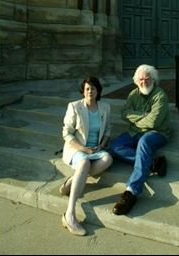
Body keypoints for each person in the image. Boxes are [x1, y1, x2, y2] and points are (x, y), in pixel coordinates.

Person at [110, 64, 171, 215]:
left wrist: (135, 117)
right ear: (137, 81)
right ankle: (153, 163)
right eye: (141, 79)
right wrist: (144, 116)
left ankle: (131, 192)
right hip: (134, 132)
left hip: (157, 133)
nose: (144, 82)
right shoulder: (133, 94)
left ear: (153, 79)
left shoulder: (160, 95)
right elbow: (124, 113)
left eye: (147, 78)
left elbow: (153, 123)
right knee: (114, 147)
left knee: (144, 142)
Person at [60, 76, 113, 236]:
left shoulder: (105, 107)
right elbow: (66, 133)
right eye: (87, 89)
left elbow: (108, 129)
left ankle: (73, 180)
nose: (90, 91)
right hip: (76, 148)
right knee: (84, 163)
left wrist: (102, 145)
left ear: (98, 91)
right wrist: (83, 148)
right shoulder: (75, 107)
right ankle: (69, 214)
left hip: (96, 149)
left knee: (107, 159)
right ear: (83, 91)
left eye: (93, 88)